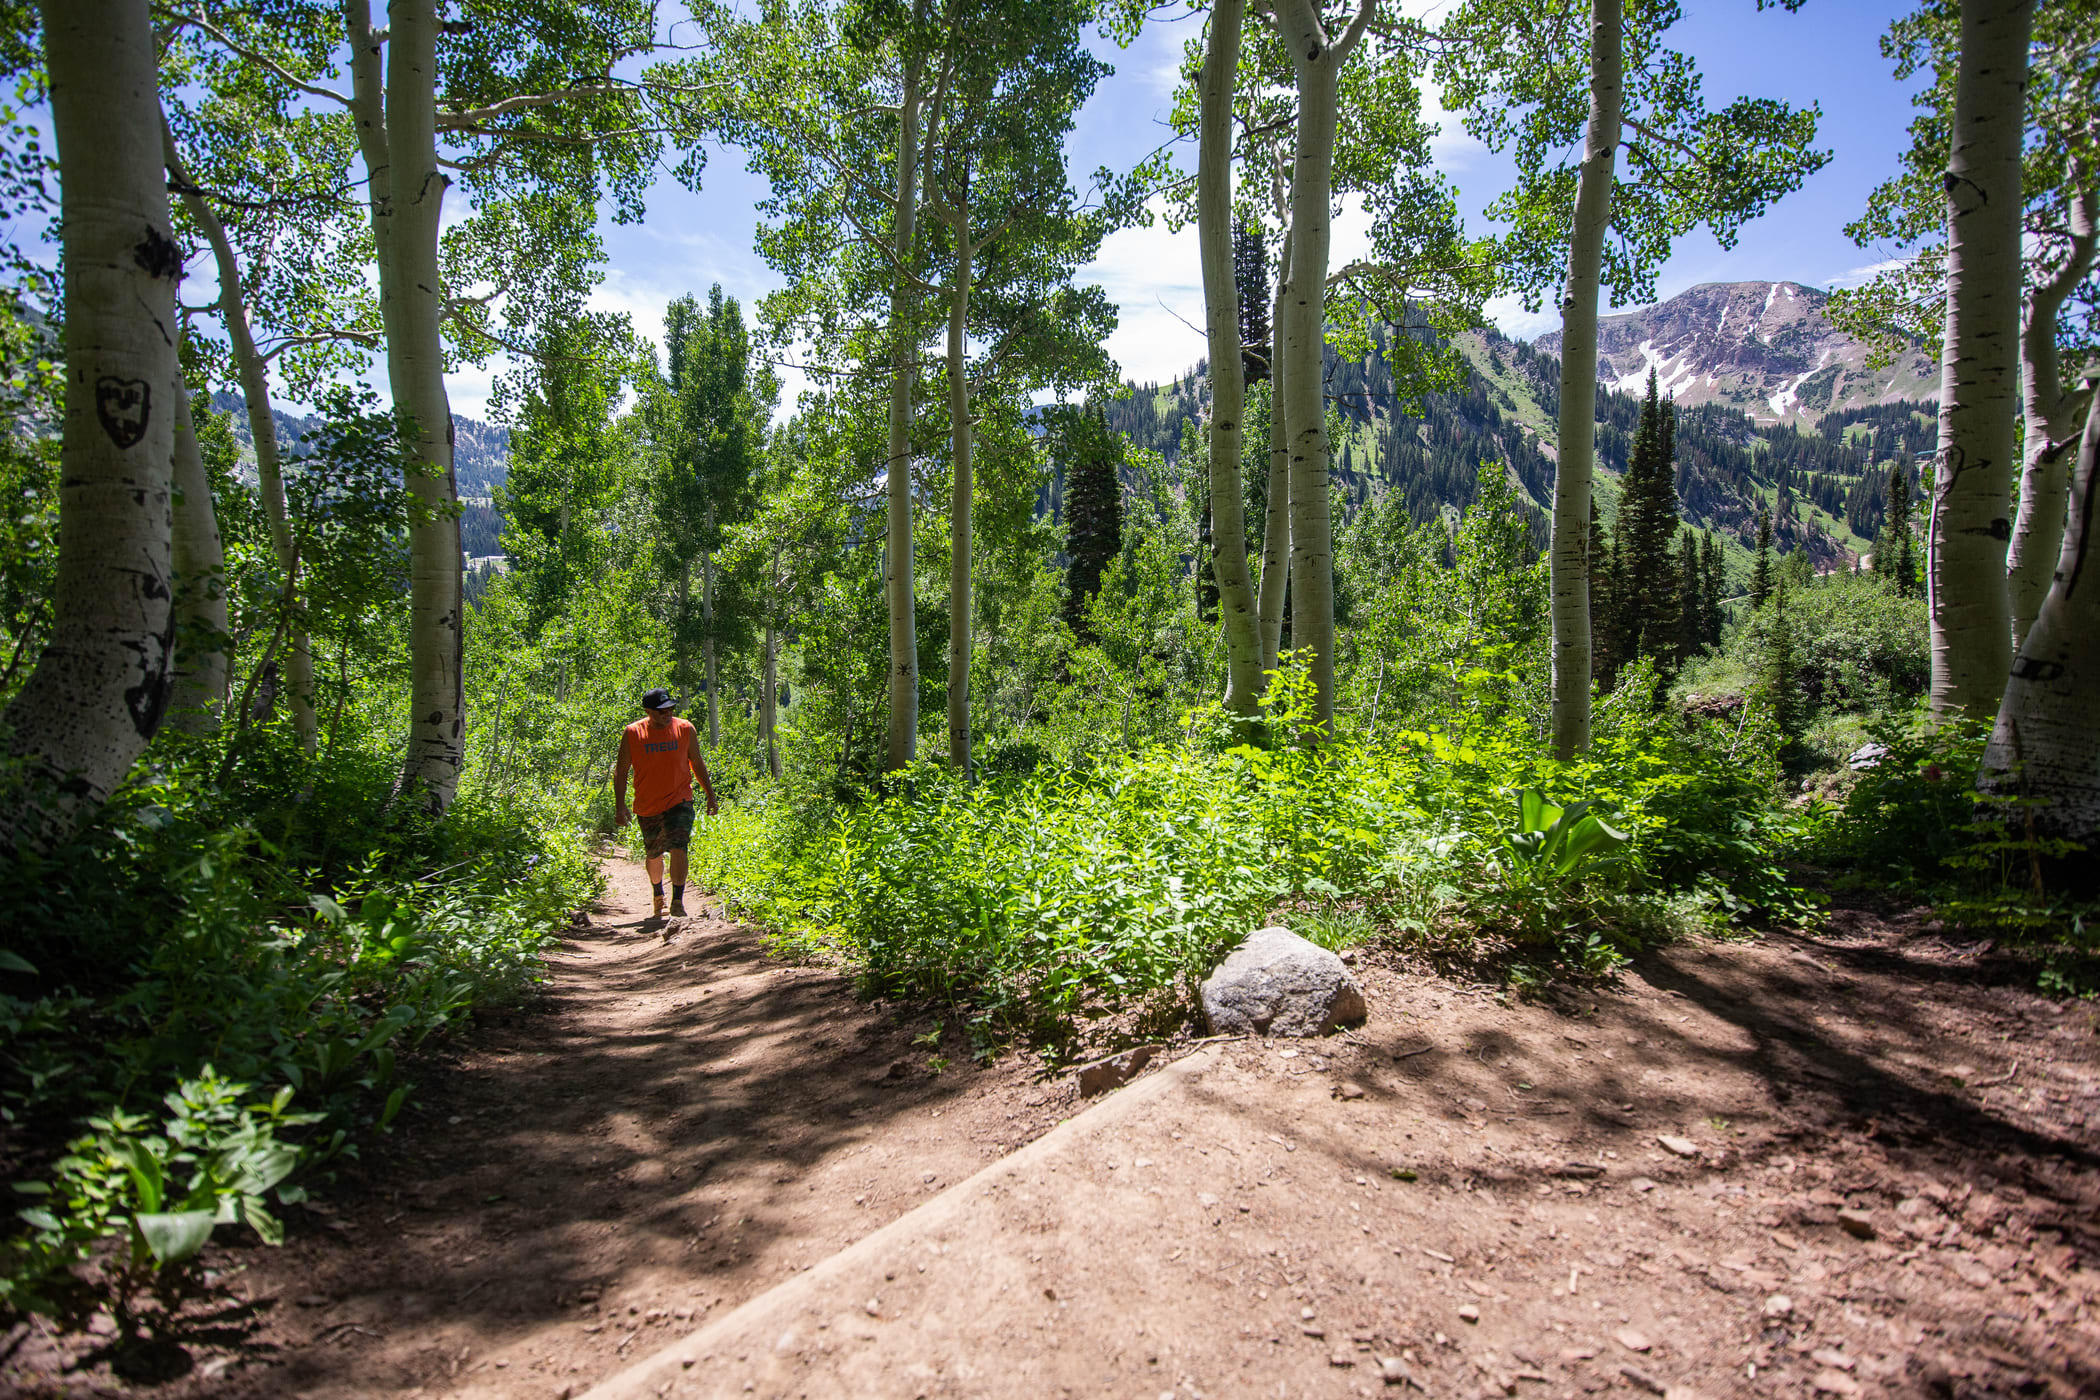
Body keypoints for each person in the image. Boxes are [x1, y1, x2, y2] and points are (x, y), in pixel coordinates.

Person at [613, 688, 719, 918]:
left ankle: (678, 902)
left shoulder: (684, 729)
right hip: (647, 804)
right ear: (648, 712)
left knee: (679, 845)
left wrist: (710, 794)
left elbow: (698, 764)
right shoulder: (633, 733)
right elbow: (621, 772)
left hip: (680, 800)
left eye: (670, 709)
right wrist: (619, 807)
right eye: (662, 711)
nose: (668, 714)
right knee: (654, 854)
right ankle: (657, 893)